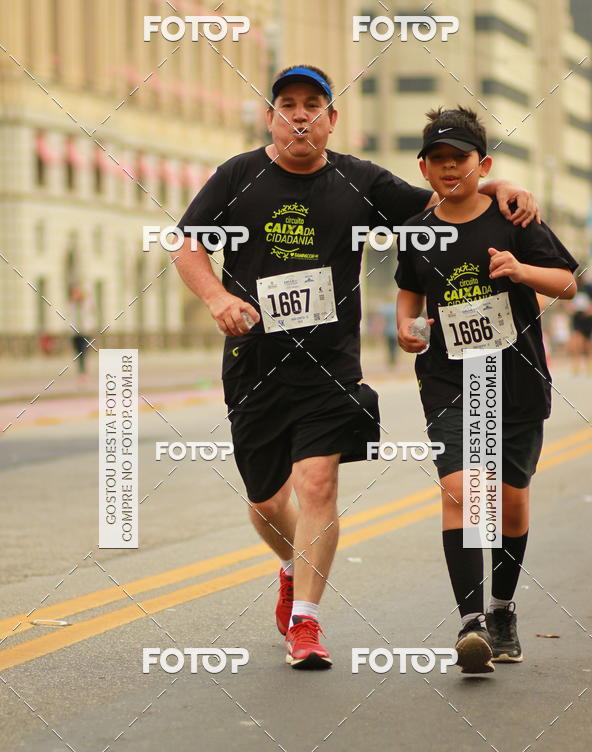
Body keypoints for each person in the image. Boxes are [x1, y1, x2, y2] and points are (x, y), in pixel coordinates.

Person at [173, 66, 540, 670]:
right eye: (287, 105)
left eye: (313, 105)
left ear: (331, 120)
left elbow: (448, 199)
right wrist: (218, 298)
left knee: (317, 483)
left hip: (330, 367)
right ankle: (291, 567)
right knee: (267, 503)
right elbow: (186, 242)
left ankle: (307, 624)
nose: (300, 116)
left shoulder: (358, 179)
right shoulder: (238, 176)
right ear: (270, 117)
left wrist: (503, 191)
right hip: (254, 364)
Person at [396, 106, 577, 674]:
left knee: (512, 501)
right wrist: (405, 326)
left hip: (517, 377)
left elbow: (569, 282)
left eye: (462, 160)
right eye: (440, 161)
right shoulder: (418, 232)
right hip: (450, 380)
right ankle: (471, 622)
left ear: (484, 164)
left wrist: (521, 271)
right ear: (424, 168)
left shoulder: (515, 219)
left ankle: (502, 609)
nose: (451, 170)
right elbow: (408, 289)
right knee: (462, 492)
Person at [567, 279, 592, 375]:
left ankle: (589, 365)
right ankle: (576, 364)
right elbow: (565, 297)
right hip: (577, 317)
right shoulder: (573, 284)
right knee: (577, 340)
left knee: (588, 342)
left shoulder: (591, 287)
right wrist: (570, 308)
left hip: (588, 317)